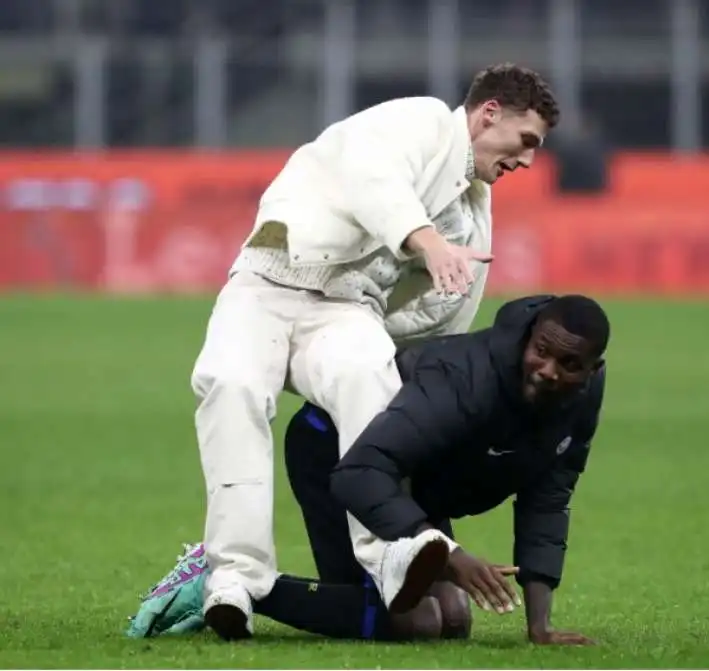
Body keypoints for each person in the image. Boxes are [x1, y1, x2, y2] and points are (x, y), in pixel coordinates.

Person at [191, 62, 560, 641]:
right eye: (526, 141)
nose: (527, 161)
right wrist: (428, 242)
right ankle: (232, 579)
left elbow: (441, 322)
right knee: (231, 386)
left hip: (345, 308)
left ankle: (390, 554)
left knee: (374, 381)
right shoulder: (419, 122)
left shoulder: (473, 213)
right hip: (266, 283)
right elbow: (370, 176)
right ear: (489, 113)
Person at [127, 294, 607, 644]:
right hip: (336, 452)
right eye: (541, 351)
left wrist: (539, 626)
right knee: (416, 623)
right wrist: (444, 552)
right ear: (528, 337)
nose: (548, 370)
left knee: (455, 620)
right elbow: (362, 471)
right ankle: (218, 582)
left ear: (591, 369)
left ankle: (233, 585)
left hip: (414, 481)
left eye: (568, 364)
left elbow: (549, 495)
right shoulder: (466, 378)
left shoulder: (579, 401)